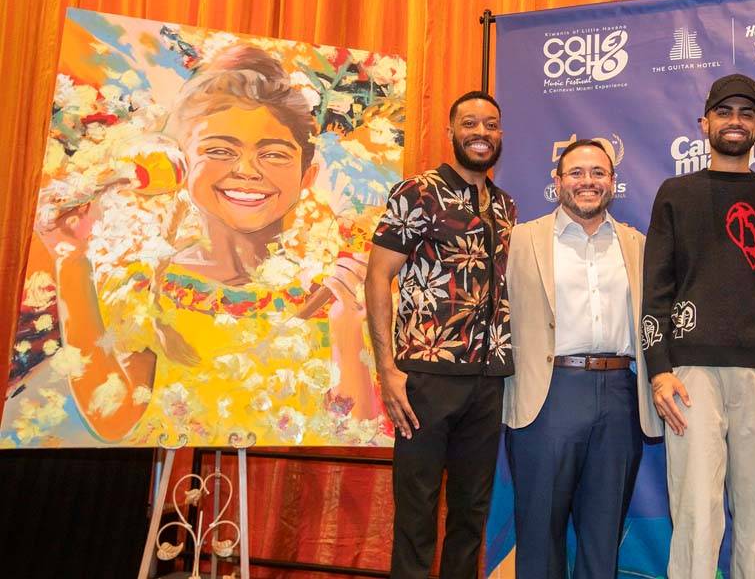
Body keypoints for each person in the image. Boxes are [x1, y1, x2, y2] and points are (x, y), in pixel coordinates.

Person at [35, 44, 378, 444]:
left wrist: (347, 332)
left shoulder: (334, 290)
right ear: (181, 164)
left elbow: (354, 430)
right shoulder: (148, 286)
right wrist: (71, 261)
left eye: (274, 154)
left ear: (307, 175)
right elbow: (113, 418)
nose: (247, 170)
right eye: (219, 151)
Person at [642, 73, 755, 578]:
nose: (734, 121)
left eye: (745, 113)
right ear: (704, 123)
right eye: (724, 112)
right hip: (690, 375)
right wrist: (659, 369)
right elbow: (657, 291)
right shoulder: (675, 193)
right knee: (696, 513)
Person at [366, 91, 516, 578]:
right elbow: (377, 277)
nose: (481, 132)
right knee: (417, 516)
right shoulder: (418, 192)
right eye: (469, 123)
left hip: (489, 381)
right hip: (425, 379)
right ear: (451, 132)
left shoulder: (506, 207)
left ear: (500, 135)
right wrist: (387, 369)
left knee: (471, 516)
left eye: (490, 124)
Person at [504, 139, 663, 578]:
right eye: (576, 173)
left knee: (603, 532)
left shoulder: (637, 244)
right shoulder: (521, 239)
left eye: (598, 172)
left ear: (613, 182)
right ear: (557, 182)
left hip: (619, 395)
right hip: (547, 392)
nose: (587, 181)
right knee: (539, 532)